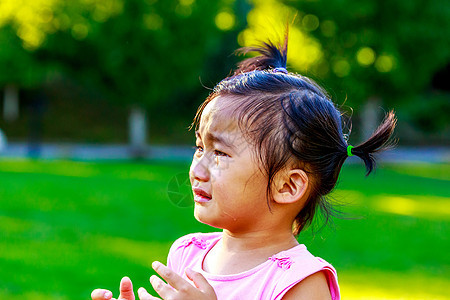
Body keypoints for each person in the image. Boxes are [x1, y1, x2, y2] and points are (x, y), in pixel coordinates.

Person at [91, 35, 396, 300]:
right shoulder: (187, 253)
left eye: (220, 153)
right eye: (200, 148)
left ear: (287, 186)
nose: (197, 169)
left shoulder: (299, 283)